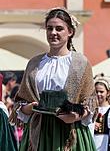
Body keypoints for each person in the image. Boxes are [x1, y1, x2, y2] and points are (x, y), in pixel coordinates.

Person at [9, 8, 97, 151]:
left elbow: (90, 103)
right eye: (49, 28)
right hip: (39, 131)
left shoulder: (81, 63)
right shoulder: (34, 63)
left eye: (59, 28)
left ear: (70, 32)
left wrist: (75, 116)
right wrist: (30, 108)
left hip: (71, 132)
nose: (53, 33)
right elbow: (20, 103)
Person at [94, 76, 110, 151]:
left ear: (108, 93)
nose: (98, 94)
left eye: (101, 92)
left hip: (105, 145)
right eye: (96, 92)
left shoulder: (109, 110)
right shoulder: (90, 110)